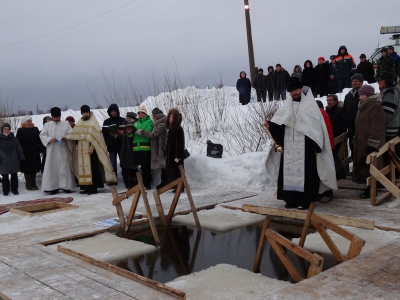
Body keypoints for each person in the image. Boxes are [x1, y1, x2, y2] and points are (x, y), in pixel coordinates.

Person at [265, 77, 337, 209]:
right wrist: (272, 127)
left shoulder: (310, 107)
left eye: (296, 89)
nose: (294, 93)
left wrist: (317, 146)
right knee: (288, 174)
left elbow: (317, 128)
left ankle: (305, 200)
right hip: (289, 148)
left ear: (300, 89)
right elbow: (280, 127)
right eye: (291, 91)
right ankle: (290, 199)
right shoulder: (286, 107)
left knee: (306, 175)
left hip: (306, 148)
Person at [66, 105, 117, 194]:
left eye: (86, 112)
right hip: (82, 150)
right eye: (83, 112)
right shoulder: (80, 122)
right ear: (81, 113)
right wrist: (77, 148)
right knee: (82, 169)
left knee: (92, 169)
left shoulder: (93, 122)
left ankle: (93, 188)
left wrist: (92, 148)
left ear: (89, 112)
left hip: (90, 150)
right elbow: (77, 137)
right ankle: (85, 187)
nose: (85, 114)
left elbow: (96, 138)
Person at [352, 85, 385, 198]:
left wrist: (372, 144)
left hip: (370, 143)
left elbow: (376, 127)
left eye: (362, 95)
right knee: (365, 167)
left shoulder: (375, 106)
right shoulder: (363, 106)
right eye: (359, 95)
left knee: (372, 166)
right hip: (361, 141)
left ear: (369, 95)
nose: (360, 97)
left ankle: (372, 189)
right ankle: (368, 186)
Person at [39, 107, 75, 195]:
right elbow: (42, 135)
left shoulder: (66, 124)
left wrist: (65, 137)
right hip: (52, 150)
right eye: (55, 117)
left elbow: (71, 133)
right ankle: (52, 187)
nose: (56, 119)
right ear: (52, 117)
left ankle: (67, 186)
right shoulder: (47, 125)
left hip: (63, 149)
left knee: (64, 167)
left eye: (58, 117)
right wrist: (50, 139)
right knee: (52, 167)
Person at [135, 108, 168, 190]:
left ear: (156, 116)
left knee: (164, 165)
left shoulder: (161, 125)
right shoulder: (159, 124)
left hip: (161, 148)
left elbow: (153, 134)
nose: (153, 118)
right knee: (162, 166)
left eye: (153, 116)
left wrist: (140, 132)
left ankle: (165, 182)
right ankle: (164, 181)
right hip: (159, 147)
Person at [16, 115, 41, 190]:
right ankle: (28, 184)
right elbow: (18, 142)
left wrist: (39, 148)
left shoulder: (35, 129)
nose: (29, 123)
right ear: (24, 122)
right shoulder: (21, 130)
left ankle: (34, 184)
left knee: (34, 168)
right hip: (25, 152)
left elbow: (39, 140)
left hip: (34, 151)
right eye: (28, 121)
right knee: (27, 169)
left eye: (30, 121)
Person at [102, 103, 126, 183]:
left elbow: (127, 131)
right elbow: (104, 134)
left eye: (114, 111)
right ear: (109, 112)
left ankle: (125, 177)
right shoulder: (106, 122)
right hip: (111, 146)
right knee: (113, 163)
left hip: (121, 145)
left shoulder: (122, 120)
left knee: (123, 162)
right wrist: (108, 142)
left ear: (117, 111)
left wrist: (122, 133)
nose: (113, 113)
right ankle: (114, 178)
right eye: (111, 111)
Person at [342, 73, 363, 159]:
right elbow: (344, 110)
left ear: (361, 82)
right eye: (353, 81)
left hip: (362, 128)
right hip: (351, 128)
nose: (354, 83)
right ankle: (354, 171)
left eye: (356, 81)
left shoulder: (365, 94)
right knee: (353, 148)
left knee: (361, 151)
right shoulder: (348, 96)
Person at [0, 123, 24, 196]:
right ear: (2, 130)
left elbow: (18, 148)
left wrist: (21, 157)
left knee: (14, 175)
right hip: (3, 159)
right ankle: (5, 190)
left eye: (8, 129)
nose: (6, 130)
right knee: (5, 176)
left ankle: (15, 189)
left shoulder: (14, 138)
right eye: (5, 129)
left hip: (13, 159)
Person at [132, 106, 153, 189]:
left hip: (145, 147)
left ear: (145, 113)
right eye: (139, 113)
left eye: (141, 113)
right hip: (136, 148)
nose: (140, 114)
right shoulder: (136, 122)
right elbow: (132, 135)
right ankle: (141, 183)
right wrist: (129, 132)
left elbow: (148, 131)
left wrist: (137, 130)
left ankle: (147, 184)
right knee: (139, 167)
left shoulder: (149, 121)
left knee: (146, 167)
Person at [378, 72, 400, 142]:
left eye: (381, 80)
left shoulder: (390, 93)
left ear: (387, 81)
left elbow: (386, 115)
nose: (378, 82)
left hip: (389, 130)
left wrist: (375, 124)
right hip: (388, 129)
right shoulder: (387, 91)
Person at [119, 112, 138, 189]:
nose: (128, 120)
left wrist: (129, 134)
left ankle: (133, 183)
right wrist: (122, 134)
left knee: (132, 166)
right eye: (127, 118)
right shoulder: (124, 124)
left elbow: (134, 138)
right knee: (125, 166)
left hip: (132, 149)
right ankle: (127, 182)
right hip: (124, 149)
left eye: (129, 118)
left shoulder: (135, 125)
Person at [166, 108, 185, 186]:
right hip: (171, 154)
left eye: (172, 117)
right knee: (173, 170)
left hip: (176, 155)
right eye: (169, 117)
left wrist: (178, 156)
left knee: (178, 170)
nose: (170, 118)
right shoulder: (170, 129)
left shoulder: (178, 129)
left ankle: (181, 186)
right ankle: (176, 185)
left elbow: (180, 143)